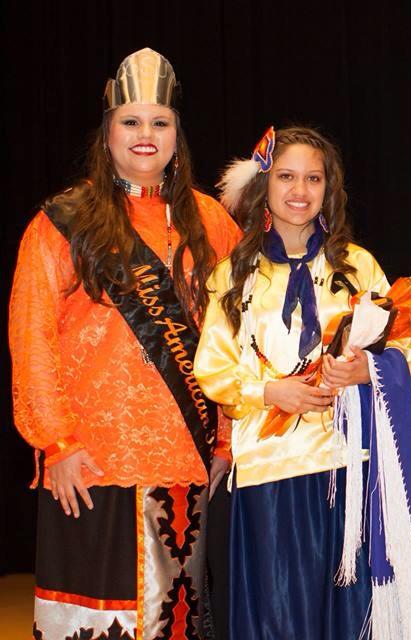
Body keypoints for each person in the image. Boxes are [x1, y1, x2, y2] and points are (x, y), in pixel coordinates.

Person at [9, 48, 240, 639]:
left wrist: (228, 434)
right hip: (91, 462)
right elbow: (30, 333)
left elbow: (242, 332)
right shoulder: (63, 221)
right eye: (131, 121)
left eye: (159, 122)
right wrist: (55, 443)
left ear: (177, 135)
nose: (145, 135)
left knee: (177, 622)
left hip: (186, 463)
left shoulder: (211, 222)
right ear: (107, 130)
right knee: (97, 621)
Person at [194, 126, 411, 639]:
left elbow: (401, 347)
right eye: (286, 176)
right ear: (264, 184)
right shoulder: (234, 274)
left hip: (347, 468)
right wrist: (269, 392)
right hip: (267, 471)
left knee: (348, 613)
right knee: (278, 613)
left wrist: (366, 370)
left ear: (330, 188)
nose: (299, 190)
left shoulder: (358, 267)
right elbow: (212, 367)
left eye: (313, 178)